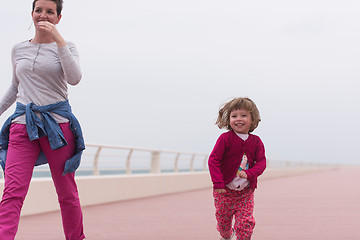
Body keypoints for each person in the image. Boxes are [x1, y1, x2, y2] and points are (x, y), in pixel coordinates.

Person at [0, 0, 85, 239]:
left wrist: (59, 41)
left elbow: (75, 78)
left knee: (67, 193)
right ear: (32, 14)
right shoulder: (18, 49)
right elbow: (14, 88)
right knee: (12, 192)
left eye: (50, 12)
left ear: (58, 17)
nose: (43, 15)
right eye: (39, 10)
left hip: (58, 128)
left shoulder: (67, 46)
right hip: (22, 126)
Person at [208, 97, 266, 240]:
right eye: (234, 116)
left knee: (246, 223)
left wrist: (250, 173)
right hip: (224, 191)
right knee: (223, 222)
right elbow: (213, 160)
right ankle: (226, 236)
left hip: (245, 193)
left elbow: (261, 162)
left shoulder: (256, 141)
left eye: (243, 115)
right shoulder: (225, 139)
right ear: (229, 120)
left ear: (253, 119)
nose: (238, 119)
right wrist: (218, 183)